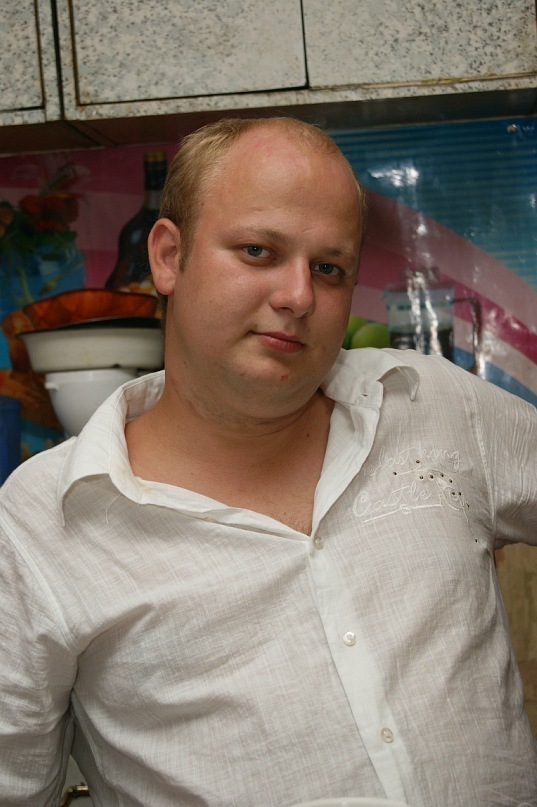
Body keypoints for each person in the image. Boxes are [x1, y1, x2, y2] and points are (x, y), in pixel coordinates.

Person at [0, 116, 535, 807]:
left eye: (329, 268)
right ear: (168, 256)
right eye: (258, 251)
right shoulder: (39, 522)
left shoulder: (432, 404)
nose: (298, 296)